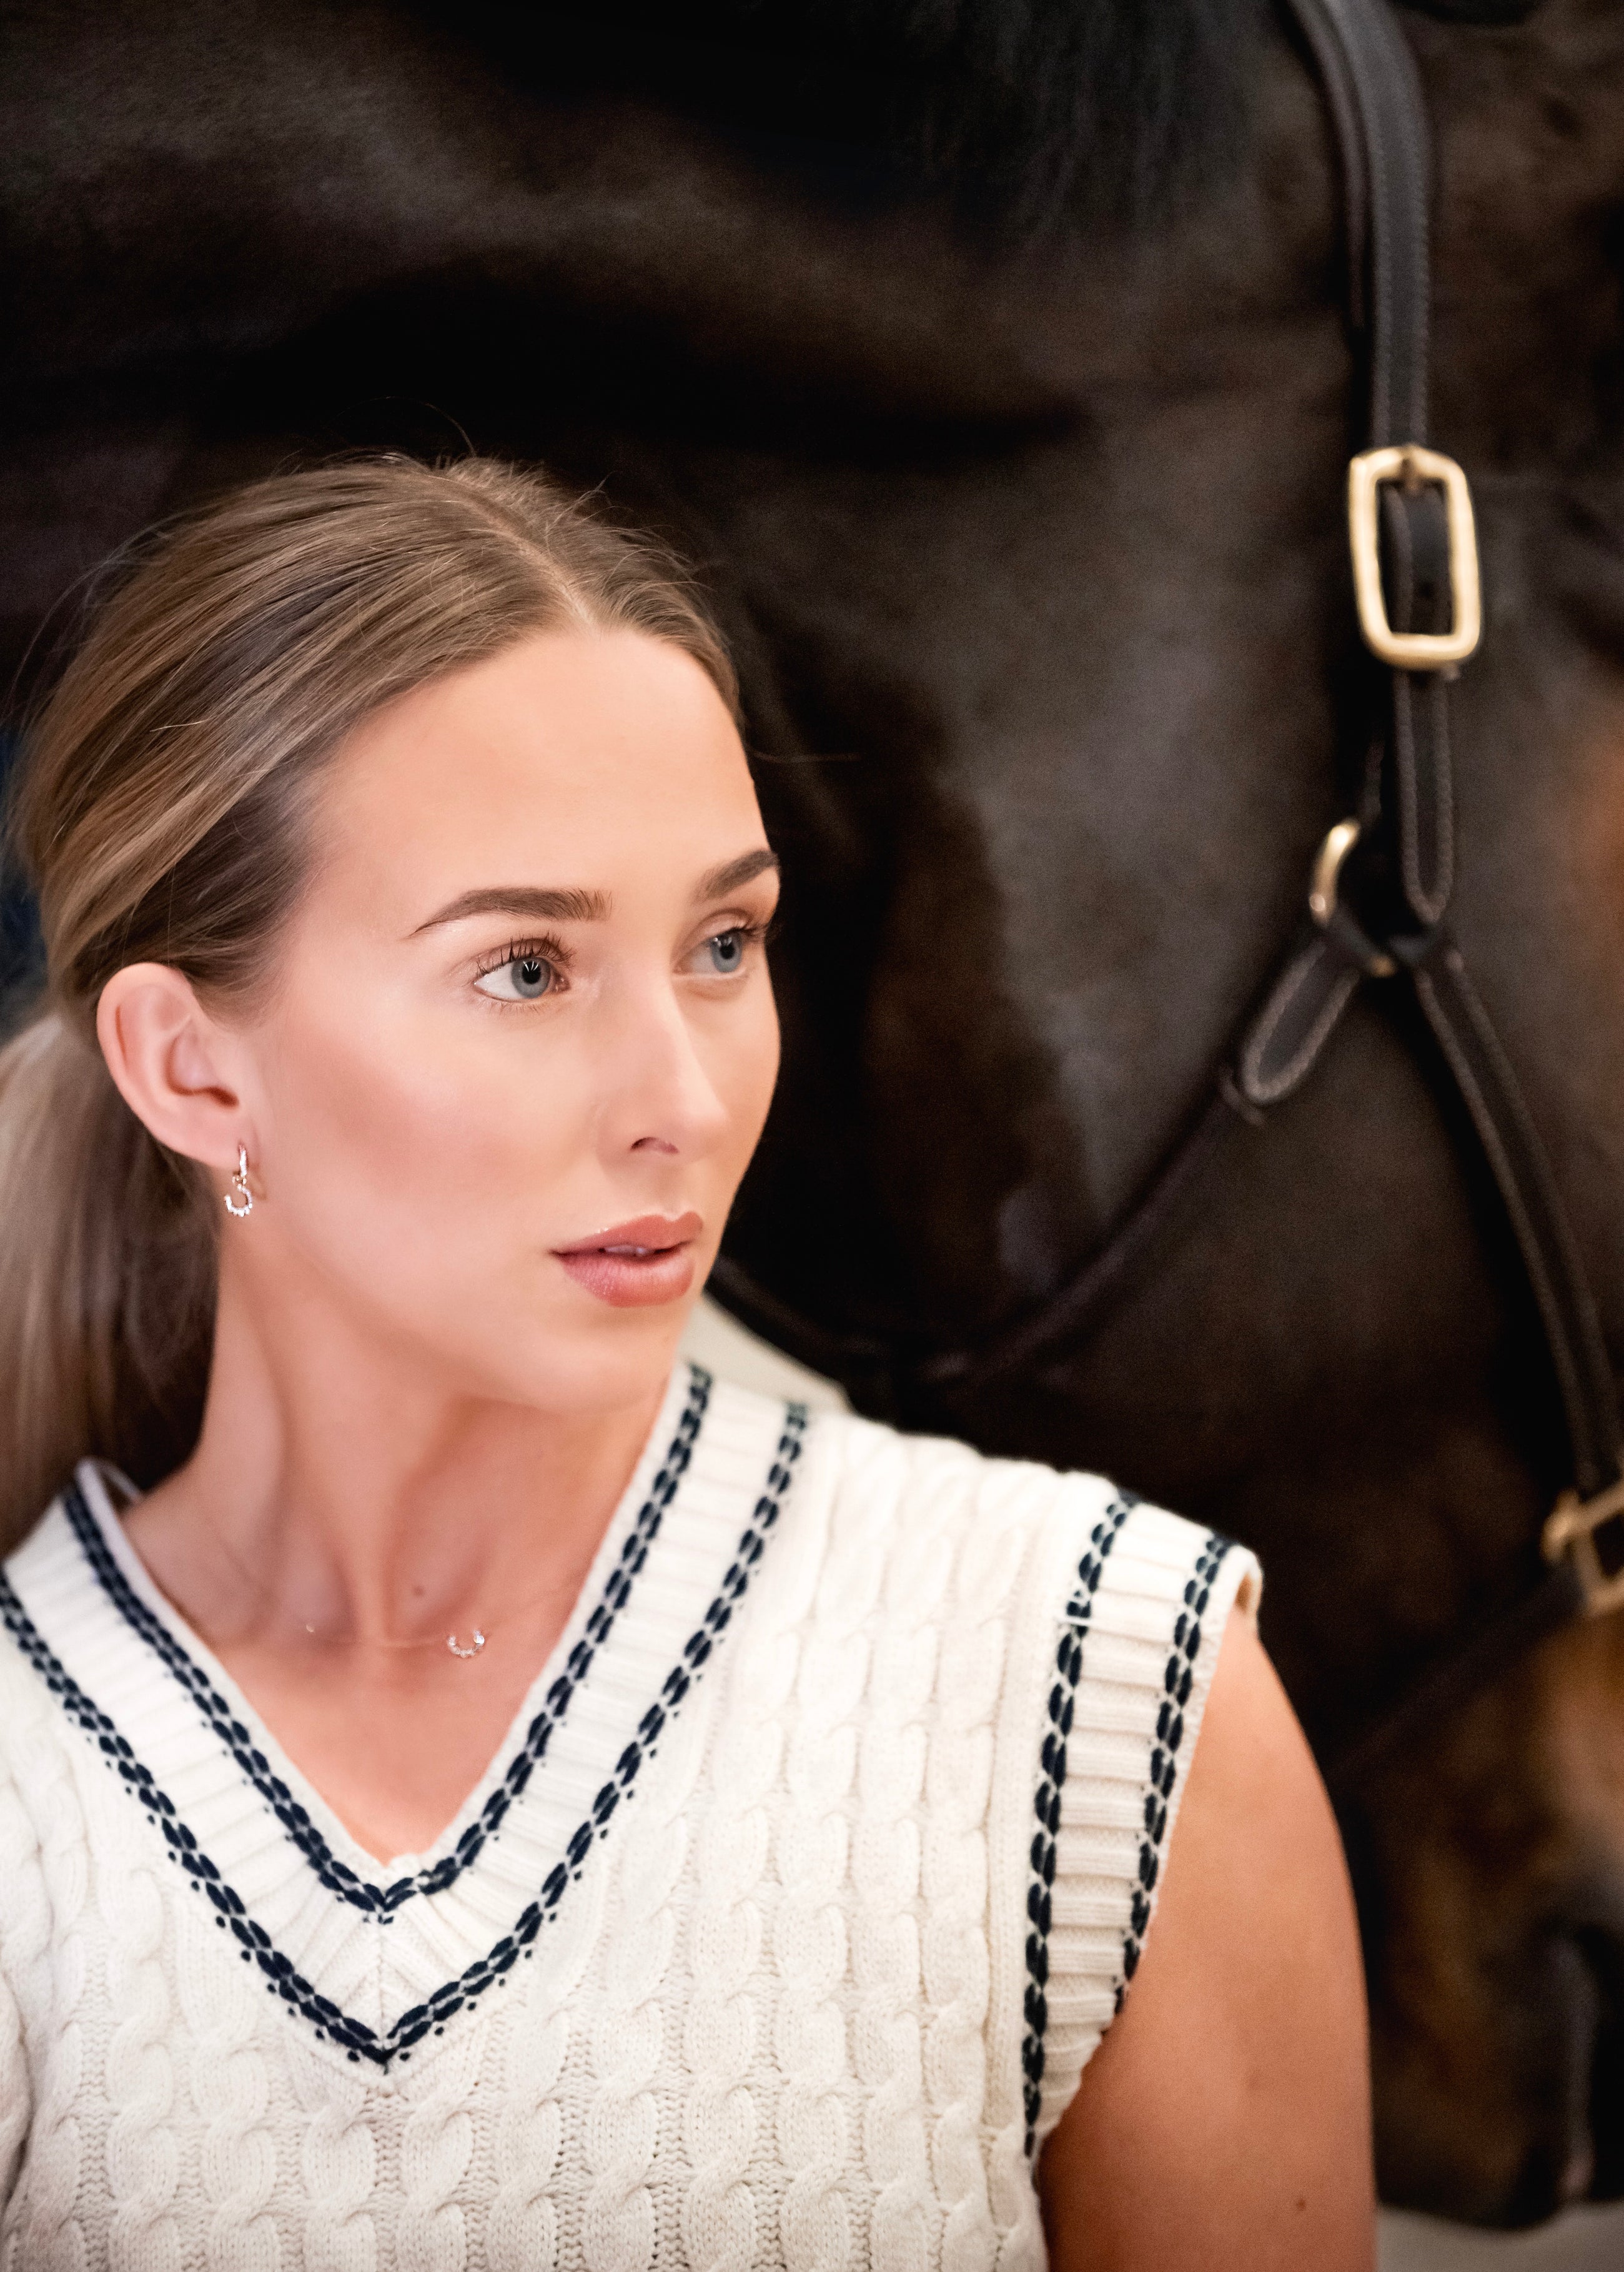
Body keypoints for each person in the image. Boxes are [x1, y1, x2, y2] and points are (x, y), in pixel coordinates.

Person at [0, 457, 1373, 2270]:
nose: (688, 1098)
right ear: (190, 1071)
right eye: (524, 970)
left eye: (724, 944)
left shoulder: (1107, 1689)